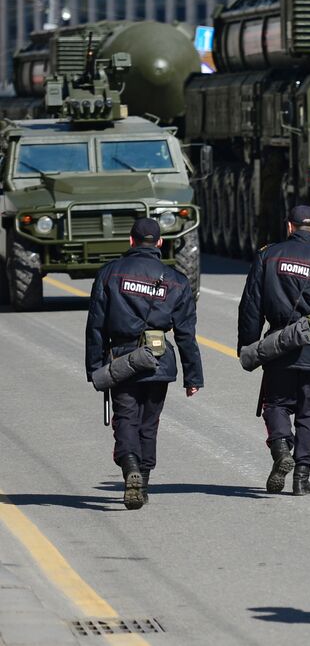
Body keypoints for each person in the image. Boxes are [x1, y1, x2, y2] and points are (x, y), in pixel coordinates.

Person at [85, 218, 202, 510]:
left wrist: (95, 366)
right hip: (159, 360)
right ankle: (143, 482)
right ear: (160, 243)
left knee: (126, 417)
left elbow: (96, 326)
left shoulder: (110, 274)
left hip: (123, 359)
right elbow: (186, 333)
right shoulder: (176, 279)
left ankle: (131, 468)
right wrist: (193, 377)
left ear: (131, 240)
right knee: (149, 424)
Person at [238, 205, 310, 495]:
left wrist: (249, 344)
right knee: (309, 413)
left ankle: (281, 449)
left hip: (280, 345)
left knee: (275, 404)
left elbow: (251, 306)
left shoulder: (269, 255)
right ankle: (302, 478)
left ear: (289, 226)